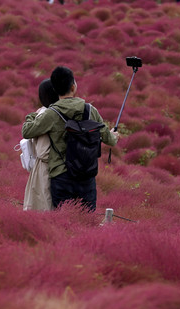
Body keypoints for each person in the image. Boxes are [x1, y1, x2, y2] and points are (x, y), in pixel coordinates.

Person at [21, 66, 119, 211]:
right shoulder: (90, 110)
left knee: (63, 223)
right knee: (86, 223)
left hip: (61, 177)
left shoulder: (51, 114)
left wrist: (33, 116)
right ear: (73, 86)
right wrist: (114, 135)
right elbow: (109, 140)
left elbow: (26, 131)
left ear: (55, 89)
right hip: (86, 177)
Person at [23, 79, 59, 211]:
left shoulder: (45, 114)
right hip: (58, 166)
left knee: (41, 205)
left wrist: (32, 116)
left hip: (44, 167)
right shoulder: (62, 113)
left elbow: (27, 132)